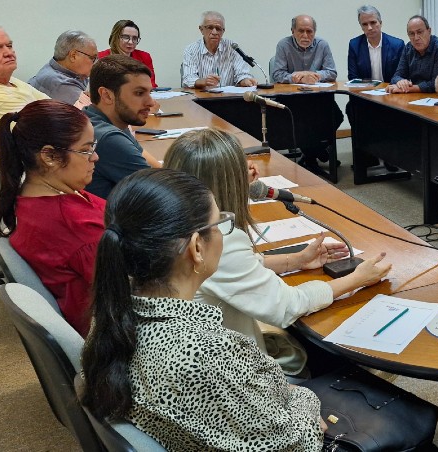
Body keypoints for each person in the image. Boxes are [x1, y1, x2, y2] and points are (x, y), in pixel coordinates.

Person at [80, 169, 325, 451]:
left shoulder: (113, 313)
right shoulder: (203, 353)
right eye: (220, 223)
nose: (223, 232)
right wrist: (306, 399)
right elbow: (295, 445)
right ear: (197, 247)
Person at [163, 128, 392, 367]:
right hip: (233, 367)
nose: (249, 169)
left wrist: (296, 260)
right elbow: (287, 306)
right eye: (241, 165)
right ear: (227, 181)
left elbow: (238, 267)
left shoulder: (172, 224)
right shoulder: (218, 237)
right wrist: (357, 279)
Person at [0, 100, 102, 337]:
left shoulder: (30, 197)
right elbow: (127, 286)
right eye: (86, 150)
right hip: (112, 329)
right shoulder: (72, 223)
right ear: (49, 156)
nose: (95, 157)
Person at [83, 54, 161, 199]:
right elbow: (164, 191)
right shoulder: (107, 137)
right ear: (106, 95)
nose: (151, 102)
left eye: (149, 92)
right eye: (139, 93)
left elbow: (157, 170)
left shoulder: (105, 119)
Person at [0, 21, 48, 168]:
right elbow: (54, 127)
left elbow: (55, 108)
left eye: (9, 45)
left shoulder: (9, 81)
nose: (8, 53)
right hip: (36, 174)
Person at [272, 14, 342, 170]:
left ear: (314, 32)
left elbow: (332, 72)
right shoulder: (283, 45)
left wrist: (315, 75)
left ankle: (311, 153)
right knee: (302, 122)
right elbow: (277, 74)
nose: (305, 35)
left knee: (337, 117)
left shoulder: (322, 45)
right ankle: (316, 153)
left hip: (318, 98)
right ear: (293, 31)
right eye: (301, 31)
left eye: (309, 31)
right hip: (293, 99)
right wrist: (296, 77)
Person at [181, 11, 257, 89]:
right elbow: (188, 79)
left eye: (218, 29)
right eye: (210, 27)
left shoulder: (232, 47)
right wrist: (204, 82)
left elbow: (242, 74)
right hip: (202, 95)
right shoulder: (191, 50)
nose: (214, 32)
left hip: (228, 95)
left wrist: (245, 80)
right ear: (201, 29)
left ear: (223, 31)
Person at [28, 30, 96, 106]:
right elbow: (91, 112)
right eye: (93, 58)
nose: (95, 63)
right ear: (73, 56)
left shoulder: (52, 67)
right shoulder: (62, 85)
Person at [387, 15, 438, 94]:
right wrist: (401, 82)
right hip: (416, 96)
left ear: (429, 31)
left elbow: (435, 85)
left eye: (419, 32)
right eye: (411, 34)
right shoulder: (408, 48)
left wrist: (408, 89)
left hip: (437, 97)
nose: (416, 38)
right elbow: (396, 76)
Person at [347, 5, 404, 83]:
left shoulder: (397, 45)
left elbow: (401, 75)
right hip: (364, 89)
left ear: (380, 23)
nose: (369, 28)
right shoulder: (354, 45)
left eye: (373, 22)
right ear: (361, 27)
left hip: (390, 89)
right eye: (365, 24)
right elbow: (353, 77)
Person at [98, 20, 157, 88]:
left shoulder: (144, 57)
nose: (131, 42)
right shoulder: (100, 58)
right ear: (115, 37)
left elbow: (151, 84)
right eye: (126, 37)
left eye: (134, 38)